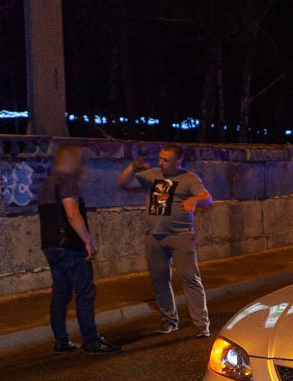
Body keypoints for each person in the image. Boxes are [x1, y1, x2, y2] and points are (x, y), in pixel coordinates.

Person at [118, 144, 214, 337]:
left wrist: (194, 199)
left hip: (180, 236)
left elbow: (208, 199)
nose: (161, 163)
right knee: (160, 280)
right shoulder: (152, 175)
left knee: (190, 279)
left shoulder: (189, 178)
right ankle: (169, 320)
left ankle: (202, 324)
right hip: (154, 236)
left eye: (166, 160)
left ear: (179, 161)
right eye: (160, 158)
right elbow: (124, 182)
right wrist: (132, 166)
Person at [37, 146, 120, 354]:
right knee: (85, 292)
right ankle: (91, 340)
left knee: (60, 293)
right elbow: (72, 214)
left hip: (51, 246)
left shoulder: (46, 184)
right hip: (70, 247)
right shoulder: (68, 182)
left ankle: (61, 340)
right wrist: (88, 242)